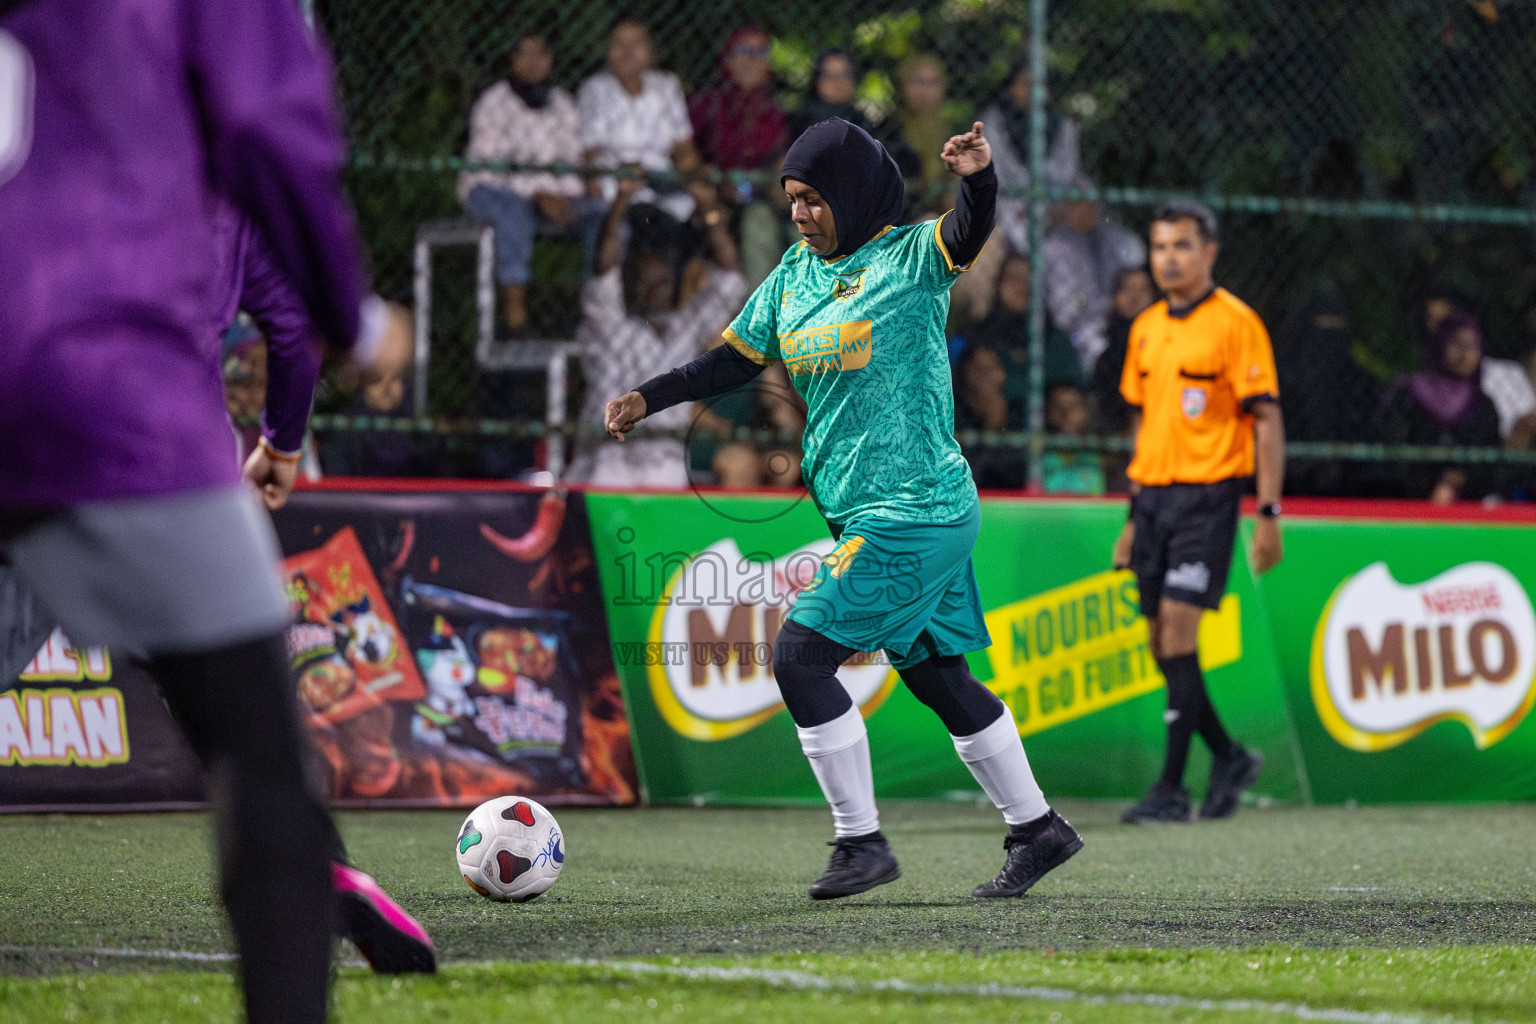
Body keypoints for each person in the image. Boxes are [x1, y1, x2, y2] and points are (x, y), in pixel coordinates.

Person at [0, 1, 417, 1020]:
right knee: (258, 746)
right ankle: (317, 888)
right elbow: (270, 132)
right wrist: (350, 324)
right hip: (110, 397)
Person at [603, 118, 1082, 901]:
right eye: (792, 199)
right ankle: (1039, 830)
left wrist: (980, 178)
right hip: (869, 515)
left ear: (855, 196)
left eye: (815, 200)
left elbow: (969, 230)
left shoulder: (908, 259)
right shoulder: (794, 273)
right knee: (936, 676)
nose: (800, 214)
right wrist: (647, 397)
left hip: (915, 511)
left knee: (799, 656)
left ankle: (862, 844)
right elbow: (732, 360)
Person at [1111, 200, 1282, 825]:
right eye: (1159, 247)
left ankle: (1170, 791)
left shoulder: (1237, 324)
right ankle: (1231, 757)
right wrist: (1132, 516)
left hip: (1209, 499)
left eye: (1182, 246)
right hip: (1153, 500)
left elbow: (1267, 420)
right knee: (1162, 645)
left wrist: (1267, 511)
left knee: (1178, 636)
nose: (1169, 259)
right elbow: (1144, 424)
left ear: (1209, 252)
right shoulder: (1146, 327)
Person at [569, 174, 745, 487]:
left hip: (667, 466)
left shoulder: (685, 328)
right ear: (630, 284)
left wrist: (710, 211)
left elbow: (729, 278)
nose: (655, 290)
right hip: (608, 464)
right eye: (646, 282)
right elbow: (604, 268)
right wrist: (620, 203)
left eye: (662, 282)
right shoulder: (609, 323)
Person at [459, 33, 604, 333]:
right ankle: (517, 319)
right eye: (524, 54)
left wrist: (569, 191)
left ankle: (597, 312)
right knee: (513, 213)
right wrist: (538, 192)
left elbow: (572, 159)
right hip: (492, 189)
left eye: (541, 53)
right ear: (512, 61)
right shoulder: (494, 102)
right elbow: (491, 166)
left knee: (600, 215)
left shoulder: (561, 103)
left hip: (550, 194)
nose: (534, 62)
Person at [689, 27, 789, 294]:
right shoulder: (707, 103)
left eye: (760, 52)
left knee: (763, 222)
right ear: (728, 59)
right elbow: (687, 151)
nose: (751, 59)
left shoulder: (776, 111)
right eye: (743, 51)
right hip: (713, 197)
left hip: (762, 199)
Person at [577, 16, 700, 231]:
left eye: (636, 43)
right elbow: (588, 151)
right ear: (607, 50)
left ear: (652, 51)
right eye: (619, 43)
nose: (628, 51)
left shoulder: (666, 86)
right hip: (616, 186)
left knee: (699, 211)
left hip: (663, 182)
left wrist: (691, 174)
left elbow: (683, 146)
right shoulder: (594, 89)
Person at [1375, 309, 1502, 503]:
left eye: (1472, 346)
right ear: (1440, 345)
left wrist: (1457, 480)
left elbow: (1490, 467)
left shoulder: (1483, 406)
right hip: (1404, 501)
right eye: (1456, 343)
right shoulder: (1408, 394)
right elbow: (1385, 450)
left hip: (1465, 507)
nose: (1464, 353)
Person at [1041, 179, 1146, 374]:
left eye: (1092, 202)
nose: (1086, 209)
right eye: (1078, 203)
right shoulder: (1055, 248)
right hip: (1079, 331)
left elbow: (1137, 278)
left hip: (1119, 322)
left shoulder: (1116, 239)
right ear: (1065, 209)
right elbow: (1065, 313)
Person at [980, 58, 1082, 256]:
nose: (1033, 91)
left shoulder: (1062, 126)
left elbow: (1067, 176)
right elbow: (992, 180)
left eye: (1040, 84)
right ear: (1010, 88)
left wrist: (1056, 211)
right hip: (1006, 213)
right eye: (1025, 83)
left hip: (1056, 214)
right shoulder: (992, 123)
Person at [1090, 265, 1157, 437]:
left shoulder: (1164, 343)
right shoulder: (1108, 356)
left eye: (1142, 290)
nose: (1134, 297)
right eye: (1127, 289)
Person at [953, 342, 1027, 489]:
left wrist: (999, 425)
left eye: (993, 367)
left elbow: (1019, 474)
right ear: (966, 374)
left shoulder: (1019, 413)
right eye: (981, 370)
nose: (989, 376)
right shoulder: (954, 413)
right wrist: (989, 427)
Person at [1040, 382, 1106, 496]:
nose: (1066, 414)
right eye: (1058, 407)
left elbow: (1097, 494)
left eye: (1073, 406)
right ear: (1048, 411)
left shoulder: (1093, 453)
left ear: (1085, 412)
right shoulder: (1040, 453)